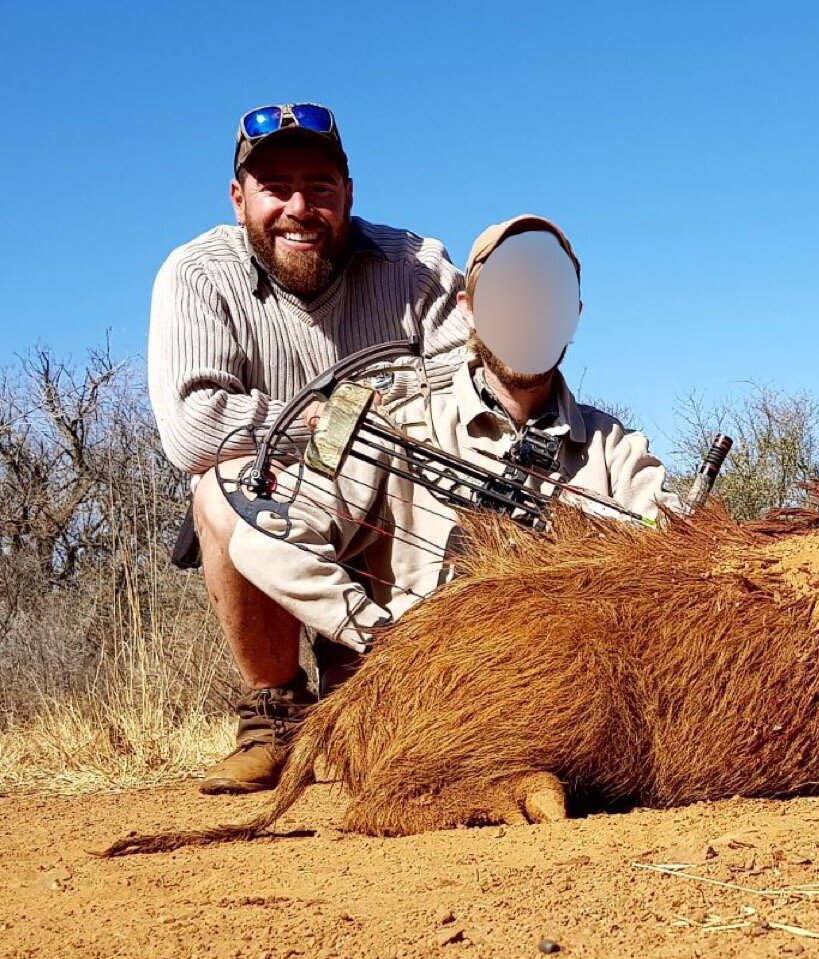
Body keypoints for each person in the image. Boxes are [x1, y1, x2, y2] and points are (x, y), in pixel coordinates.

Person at [223, 215, 678, 791]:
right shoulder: (395, 416)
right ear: (467, 306)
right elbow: (262, 537)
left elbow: (671, 560)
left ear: (575, 316)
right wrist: (386, 638)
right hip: (423, 698)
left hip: (568, 691)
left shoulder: (613, 445)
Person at [146, 103, 471, 794]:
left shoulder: (420, 266)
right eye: (276, 188)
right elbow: (193, 430)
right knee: (220, 486)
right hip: (283, 498)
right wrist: (341, 415)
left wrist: (380, 429)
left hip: (400, 499)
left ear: (349, 195)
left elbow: (466, 402)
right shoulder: (196, 273)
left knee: (466, 474)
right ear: (240, 199)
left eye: (321, 188)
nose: (300, 207)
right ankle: (277, 715)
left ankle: (372, 684)